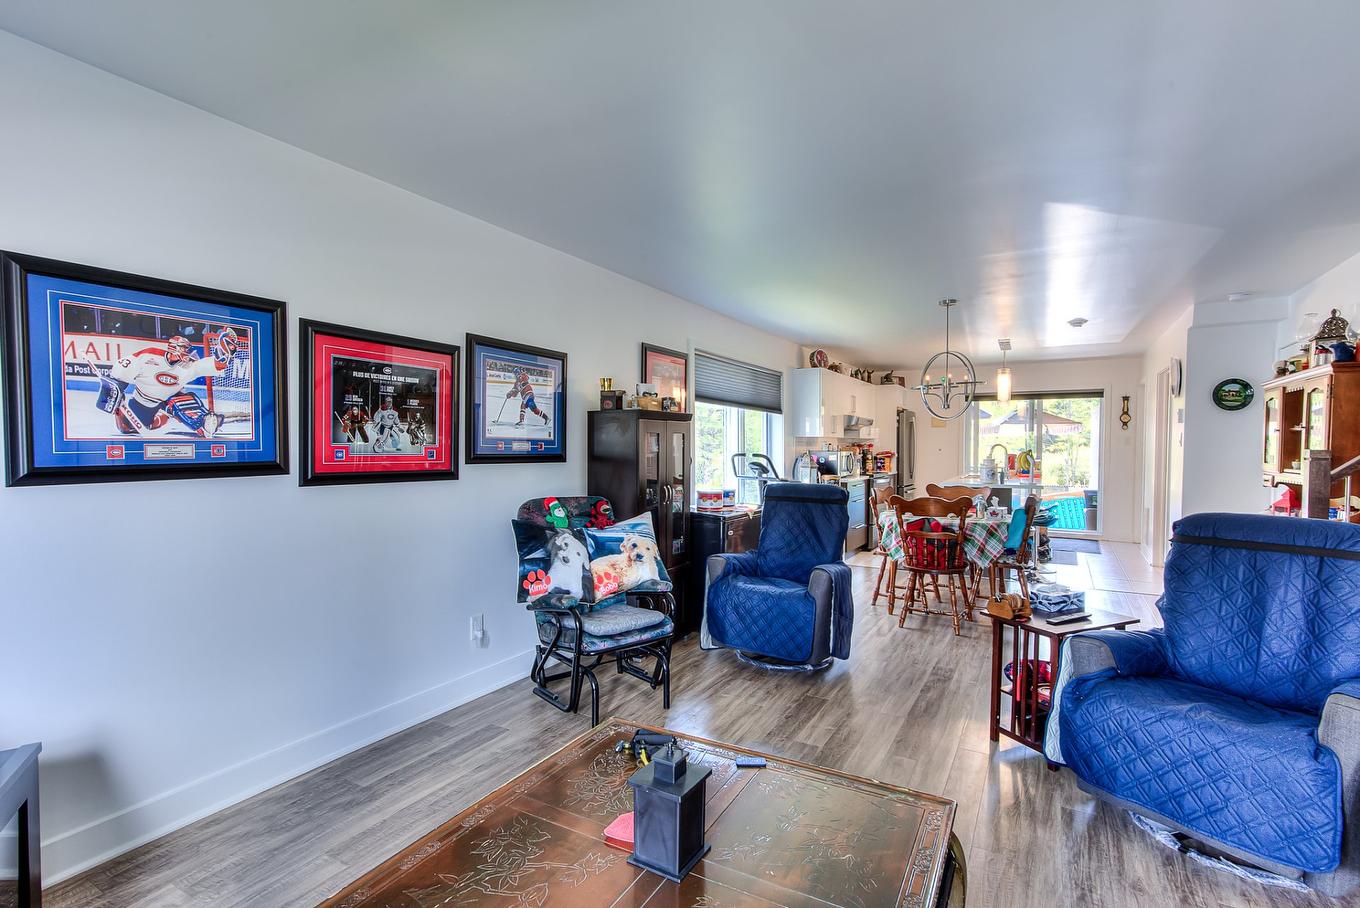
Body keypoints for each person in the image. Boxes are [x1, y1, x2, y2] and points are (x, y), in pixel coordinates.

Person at [95, 330, 237, 437]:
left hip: (170, 397)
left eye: (187, 349)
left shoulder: (189, 366)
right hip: (143, 400)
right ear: (173, 347)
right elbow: (122, 370)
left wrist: (224, 354)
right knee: (127, 428)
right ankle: (164, 414)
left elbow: (218, 364)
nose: (186, 352)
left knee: (182, 401)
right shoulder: (148, 356)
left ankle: (204, 422)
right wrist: (116, 390)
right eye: (183, 348)